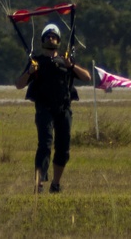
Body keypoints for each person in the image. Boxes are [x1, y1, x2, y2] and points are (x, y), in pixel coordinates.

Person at [15, 23, 91, 193]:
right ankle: (39, 184)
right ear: (43, 40)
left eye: (54, 36)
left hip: (63, 109)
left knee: (63, 147)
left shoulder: (66, 61)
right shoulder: (36, 62)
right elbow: (19, 85)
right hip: (44, 109)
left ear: (58, 40)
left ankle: (56, 184)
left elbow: (87, 77)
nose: (51, 39)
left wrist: (71, 65)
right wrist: (29, 72)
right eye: (48, 36)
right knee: (45, 144)